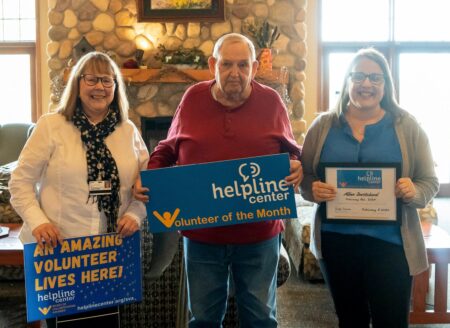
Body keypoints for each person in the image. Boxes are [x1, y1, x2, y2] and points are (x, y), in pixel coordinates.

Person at [135, 33, 303, 327]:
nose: (234, 73)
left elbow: (294, 152)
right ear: (213, 64)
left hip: (259, 235)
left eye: (242, 65)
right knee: (202, 319)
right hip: (202, 237)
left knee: (261, 318)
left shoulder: (272, 102)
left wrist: (298, 166)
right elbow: (166, 149)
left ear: (254, 66)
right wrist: (150, 177)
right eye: (226, 64)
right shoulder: (192, 98)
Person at [300, 48, 439, 328]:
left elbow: (429, 181)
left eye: (375, 78)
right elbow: (305, 177)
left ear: (386, 85)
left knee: (391, 321)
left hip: (391, 245)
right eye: (359, 76)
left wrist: (415, 192)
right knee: (351, 320)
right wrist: (311, 189)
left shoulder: (407, 126)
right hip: (336, 243)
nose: (367, 84)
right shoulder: (323, 126)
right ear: (347, 81)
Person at [9, 51, 149, 325]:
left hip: (111, 252)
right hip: (60, 252)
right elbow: (20, 181)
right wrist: (38, 223)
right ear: (77, 84)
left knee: (105, 322)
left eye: (107, 81)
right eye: (92, 79)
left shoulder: (128, 130)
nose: (100, 87)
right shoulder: (51, 126)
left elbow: (146, 185)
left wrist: (134, 215)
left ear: (115, 87)